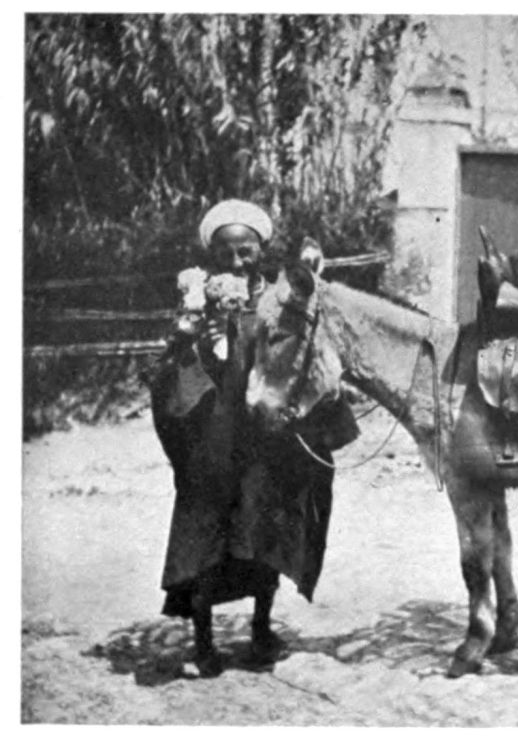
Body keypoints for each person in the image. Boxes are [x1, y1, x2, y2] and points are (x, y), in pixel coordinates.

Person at [148, 199, 358, 675]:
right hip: (215, 438)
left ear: (261, 250)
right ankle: (203, 641)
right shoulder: (197, 300)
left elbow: (303, 354)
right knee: (206, 536)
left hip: (266, 438)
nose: (238, 261)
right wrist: (187, 338)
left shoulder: (279, 300)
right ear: (212, 254)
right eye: (227, 253)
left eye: (246, 251)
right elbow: (172, 373)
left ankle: (261, 629)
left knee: (266, 533)